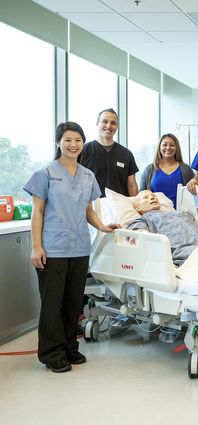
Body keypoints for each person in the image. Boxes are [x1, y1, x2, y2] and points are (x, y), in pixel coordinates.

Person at [24, 122, 119, 373]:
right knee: (53, 303)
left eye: (77, 140)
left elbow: (88, 210)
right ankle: (51, 353)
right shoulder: (45, 173)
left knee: (73, 302)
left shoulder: (87, 175)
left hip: (79, 248)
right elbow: (38, 212)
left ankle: (69, 348)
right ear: (58, 143)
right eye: (67, 140)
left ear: (82, 143)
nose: (73, 145)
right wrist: (36, 247)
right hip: (52, 248)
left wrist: (103, 227)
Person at [128, 190, 198, 266]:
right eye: (146, 197)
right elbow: (139, 232)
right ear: (137, 207)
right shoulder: (145, 219)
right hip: (186, 250)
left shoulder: (175, 213)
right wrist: (138, 236)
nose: (152, 197)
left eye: (153, 196)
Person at [80, 108, 138, 197]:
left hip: (121, 207)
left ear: (117, 126)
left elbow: (131, 185)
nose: (109, 126)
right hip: (92, 207)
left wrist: (136, 207)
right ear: (97, 123)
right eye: (105, 121)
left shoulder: (126, 154)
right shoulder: (84, 151)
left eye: (113, 123)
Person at [138, 133, 195, 207]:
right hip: (156, 215)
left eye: (172, 145)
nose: (168, 148)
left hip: (180, 216)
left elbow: (194, 194)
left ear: (176, 148)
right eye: (164, 145)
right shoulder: (150, 170)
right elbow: (141, 196)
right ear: (159, 147)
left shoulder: (186, 169)